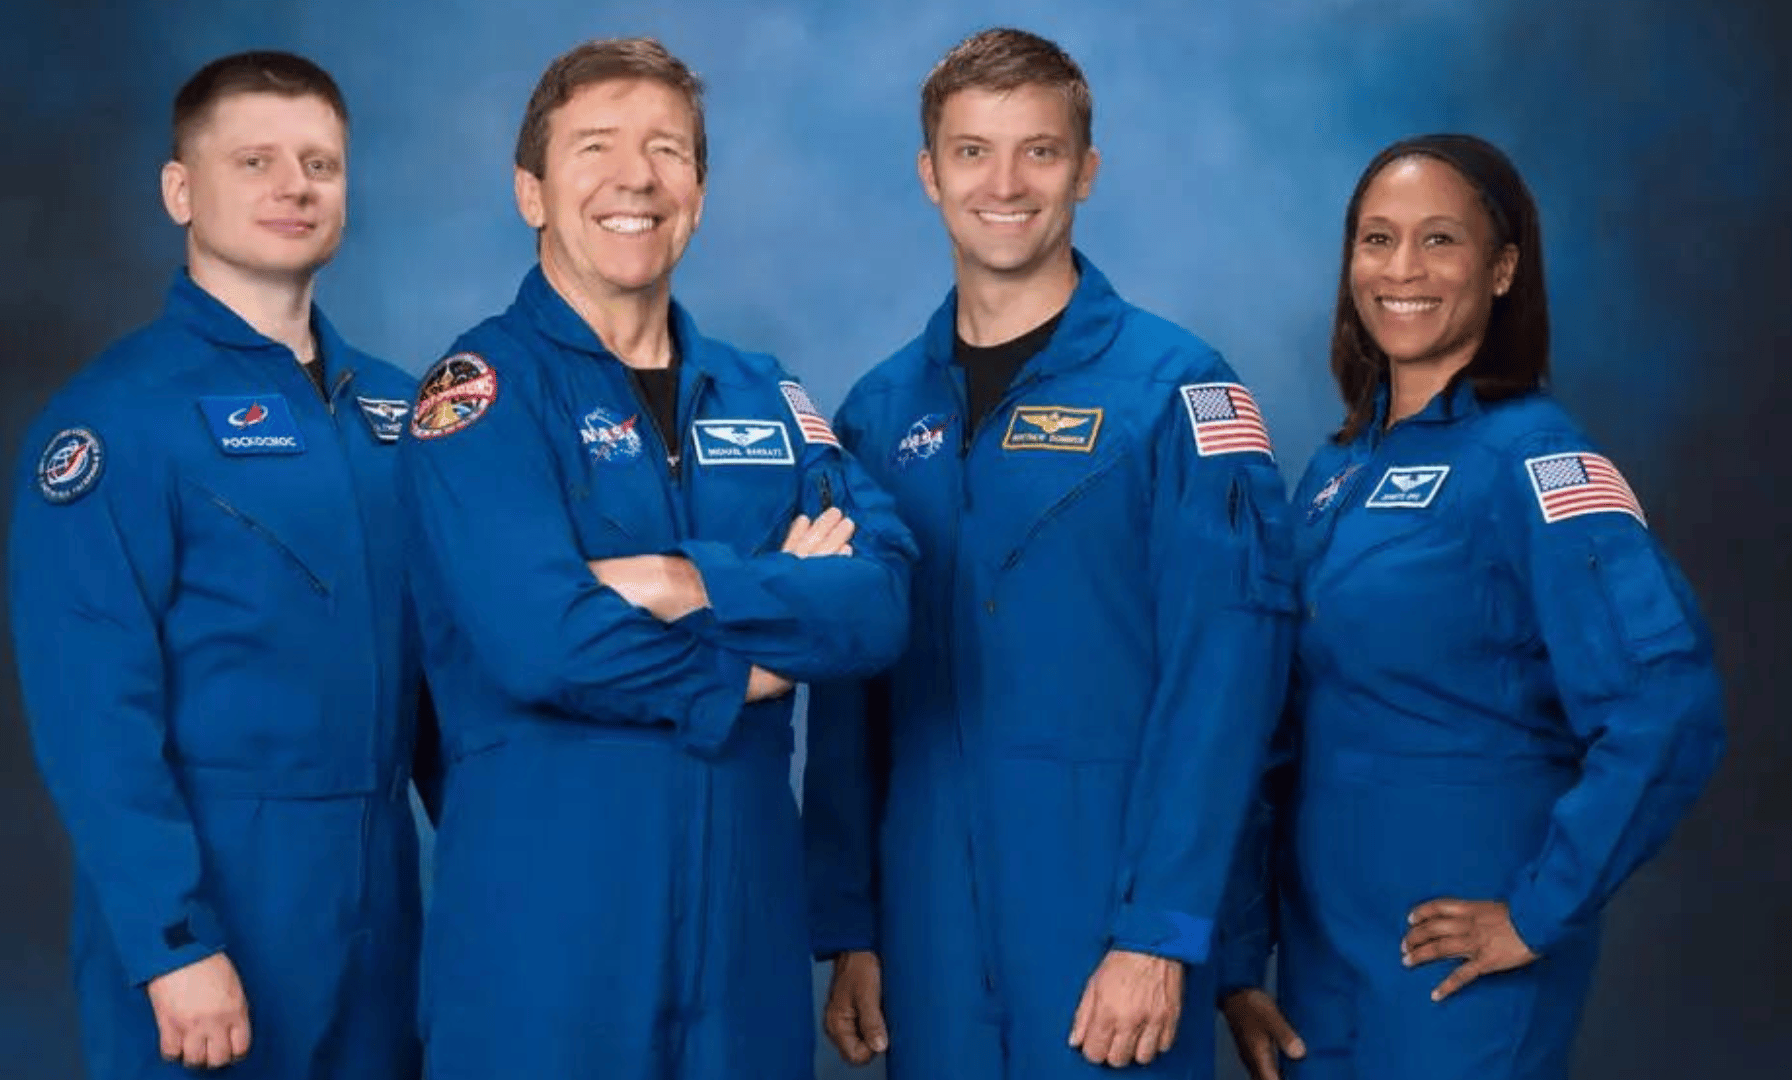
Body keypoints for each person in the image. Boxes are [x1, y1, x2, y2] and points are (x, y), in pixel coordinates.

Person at [398, 37, 916, 1080]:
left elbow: (881, 602)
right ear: (531, 192)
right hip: (548, 942)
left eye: (667, 151)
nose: (636, 177)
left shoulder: (767, 396)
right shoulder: (477, 395)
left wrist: (684, 581)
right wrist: (761, 658)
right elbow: (543, 640)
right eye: (595, 147)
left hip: (742, 946)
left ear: (699, 191)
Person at [804, 27, 1294, 1079]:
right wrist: (851, 925)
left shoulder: (1179, 395)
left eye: (1041, 150)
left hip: (1105, 912)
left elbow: (1227, 686)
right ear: (930, 173)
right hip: (927, 920)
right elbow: (849, 702)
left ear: (1087, 169)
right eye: (974, 151)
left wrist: (1162, 931)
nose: (1007, 183)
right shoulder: (876, 416)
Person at [1215, 133, 1726, 1080]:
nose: (1400, 270)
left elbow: (1668, 703)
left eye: (1439, 240)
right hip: (1320, 969)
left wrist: (1539, 911)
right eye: (1376, 240)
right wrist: (1242, 959)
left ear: (1502, 268)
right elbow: (1271, 727)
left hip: (1458, 975)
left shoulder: (1537, 466)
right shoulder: (1334, 474)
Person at [8, 51, 434, 1079]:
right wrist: (174, 941)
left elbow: (453, 672)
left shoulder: (401, 412)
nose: (295, 186)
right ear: (180, 189)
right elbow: (91, 713)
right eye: (255, 160)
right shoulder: (115, 419)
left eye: (320, 164)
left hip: (386, 887)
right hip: (219, 880)